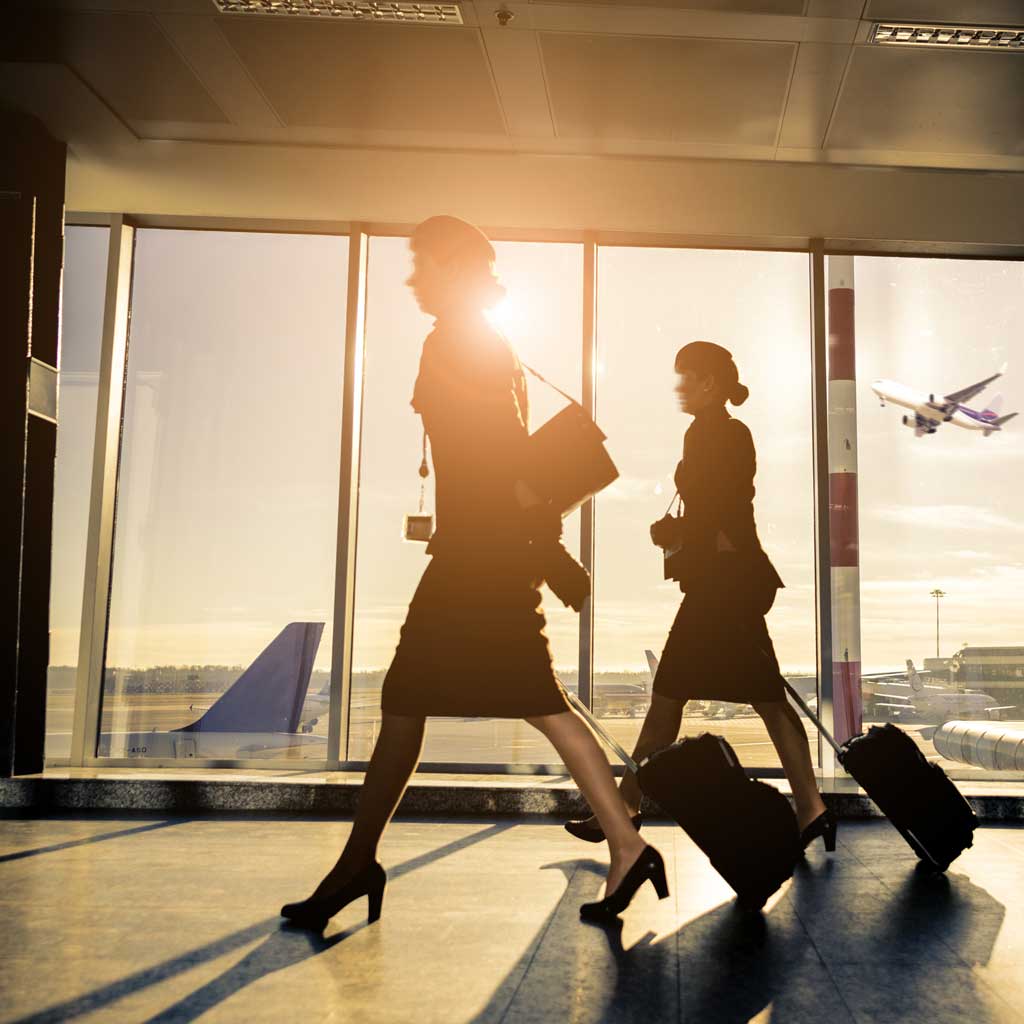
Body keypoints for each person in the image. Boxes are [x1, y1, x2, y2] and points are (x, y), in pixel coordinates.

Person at [281, 216, 666, 930]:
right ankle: (359, 863)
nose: (412, 278)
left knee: (520, 702)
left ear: (454, 270)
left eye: (423, 264)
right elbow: (509, 462)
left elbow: (501, 464)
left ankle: (626, 843)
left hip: (478, 560)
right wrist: (547, 556)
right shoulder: (488, 344)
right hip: (480, 553)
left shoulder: (459, 342)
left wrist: (546, 556)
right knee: (421, 700)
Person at [565, 341, 836, 854]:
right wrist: (683, 530)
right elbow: (721, 507)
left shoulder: (720, 433)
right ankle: (811, 809)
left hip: (724, 587)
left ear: (710, 382)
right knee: (746, 698)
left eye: (685, 377)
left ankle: (625, 809)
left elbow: (725, 508)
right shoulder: (714, 431)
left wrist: (679, 531)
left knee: (679, 695)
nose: (678, 387)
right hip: (725, 584)